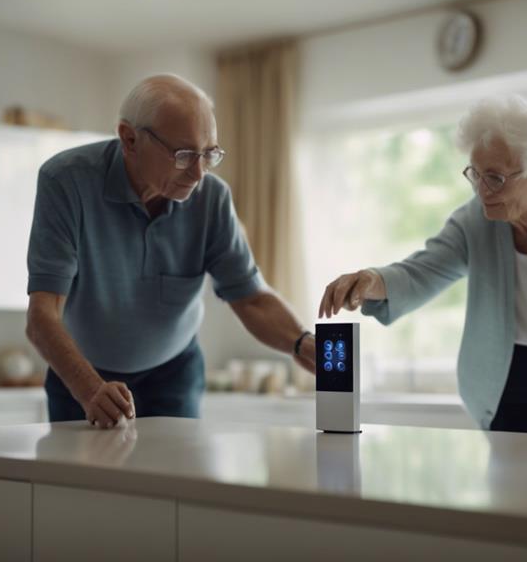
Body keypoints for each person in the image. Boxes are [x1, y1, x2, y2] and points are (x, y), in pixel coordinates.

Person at [319, 96, 527, 445]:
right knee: (513, 493)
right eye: (475, 174)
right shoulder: (474, 221)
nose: (481, 189)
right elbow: (421, 270)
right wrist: (372, 280)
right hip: (513, 370)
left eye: (496, 177)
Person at [26, 74, 315, 428]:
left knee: (179, 482)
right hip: (82, 372)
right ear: (129, 139)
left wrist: (302, 343)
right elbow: (42, 317)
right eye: (183, 155)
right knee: (84, 482)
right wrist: (89, 390)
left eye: (208, 154)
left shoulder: (212, 199)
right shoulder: (66, 182)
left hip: (173, 373)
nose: (197, 174)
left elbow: (251, 298)